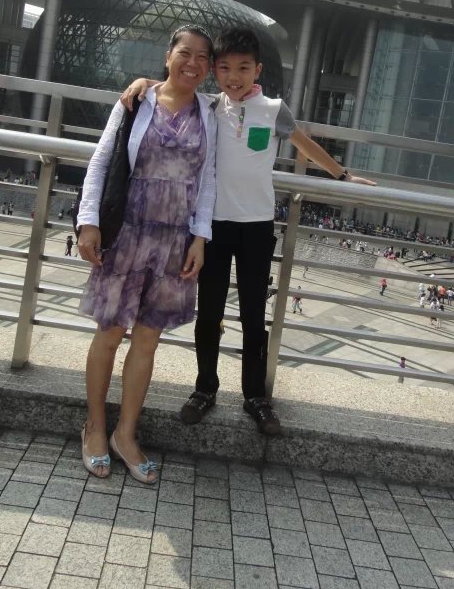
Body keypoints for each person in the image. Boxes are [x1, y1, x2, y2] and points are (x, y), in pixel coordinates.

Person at [123, 26, 376, 436]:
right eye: (224, 68)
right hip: (213, 227)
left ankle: (255, 396)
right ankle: (205, 389)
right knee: (209, 314)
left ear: (257, 70)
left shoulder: (273, 109)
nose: (233, 77)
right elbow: (174, 87)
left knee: (254, 317)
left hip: (257, 226)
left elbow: (304, 144)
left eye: (243, 68)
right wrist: (143, 82)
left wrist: (343, 176)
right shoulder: (209, 106)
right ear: (215, 72)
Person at [76, 24, 216, 484]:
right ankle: (95, 428)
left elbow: (208, 180)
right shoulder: (136, 101)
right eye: (185, 53)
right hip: (127, 232)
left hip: (175, 239)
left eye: (202, 57)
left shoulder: (210, 113)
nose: (192, 63)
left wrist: (200, 237)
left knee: (148, 340)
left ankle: (126, 434)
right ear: (168, 55)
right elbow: (102, 160)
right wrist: (89, 221)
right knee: (110, 333)